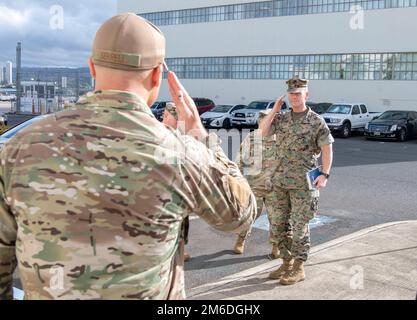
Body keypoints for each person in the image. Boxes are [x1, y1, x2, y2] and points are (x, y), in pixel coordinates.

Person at [0, 13, 257, 300]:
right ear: (157, 74)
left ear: (92, 67)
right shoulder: (181, 153)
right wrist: (200, 135)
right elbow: (240, 216)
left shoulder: (19, 148)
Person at [259, 76, 334, 285]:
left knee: (300, 226)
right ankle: (286, 262)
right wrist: (274, 109)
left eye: (298, 93)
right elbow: (262, 132)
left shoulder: (316, 121)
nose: (294, 97)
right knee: (277, 225)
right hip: (280, 182)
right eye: (291, 94)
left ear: (306, 95)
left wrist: (325, 174)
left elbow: (327, 148)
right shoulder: (281, 119)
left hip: (303, 184)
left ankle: (299, 267)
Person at [234, 110, 279, 259]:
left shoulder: (281, 138)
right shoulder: (252, 138)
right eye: (260, 121)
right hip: (255, 186)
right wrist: (237, 179)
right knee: (250, 216)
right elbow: (240, 159)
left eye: (265, 120)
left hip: (275, 187)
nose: (263, 123)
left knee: (276, 218)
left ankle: (276, 246)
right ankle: (241, 240)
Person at [162, 102, 191, 262]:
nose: (162, 119)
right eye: (163, 115)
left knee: (182, 222)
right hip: (163, 188)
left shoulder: (185, 138)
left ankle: (180, 249)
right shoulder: (159, 134)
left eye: (166, 116)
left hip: (180, 188)